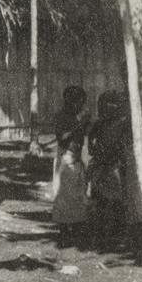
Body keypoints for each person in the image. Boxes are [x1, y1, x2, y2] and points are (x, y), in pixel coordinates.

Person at [87, 90, 129, 251]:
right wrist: (93, 148)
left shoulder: (122, 124)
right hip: (100, 166)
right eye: (103, 107)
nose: (106, 110)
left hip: (114, 166)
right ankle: (100, 237)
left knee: (117, 203)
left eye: (110, 106)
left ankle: (116, 237)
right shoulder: (99, 123)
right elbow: (90, 138)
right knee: (100, 202)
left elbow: (122, 146)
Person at [51, 85, 91, 248]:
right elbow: (62, 138)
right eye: (79, 102)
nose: (81, 106)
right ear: (71, 102)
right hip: (66, 159)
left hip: (76, 159)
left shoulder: (75, 117)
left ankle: (74, 232)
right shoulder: (62, 117)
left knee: (77, 198)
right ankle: (64, 234)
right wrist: (80, 125)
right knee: (65, 198)